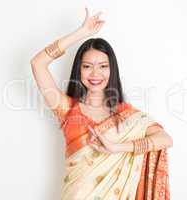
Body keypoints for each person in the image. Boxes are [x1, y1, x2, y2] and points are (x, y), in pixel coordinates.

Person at [30, 7, 173, 200]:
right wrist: (81, 33)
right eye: (87, 66)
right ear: (78, 70)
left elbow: (165, 139)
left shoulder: (128, 116)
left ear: (111, 70)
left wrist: (117, 147)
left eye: (103, 67)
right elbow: (37, 63)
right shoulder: (67, 109)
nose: (95, 74)